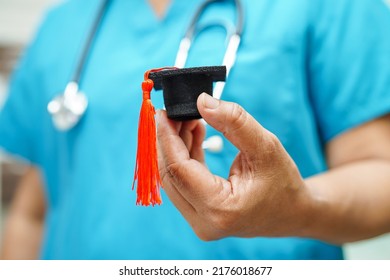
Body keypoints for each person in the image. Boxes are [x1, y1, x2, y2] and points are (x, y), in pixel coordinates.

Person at [1, 0, 390, 260]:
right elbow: (34, 210)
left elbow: (380, 170)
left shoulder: (335, 7)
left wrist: (298, 207)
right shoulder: (64, 23)